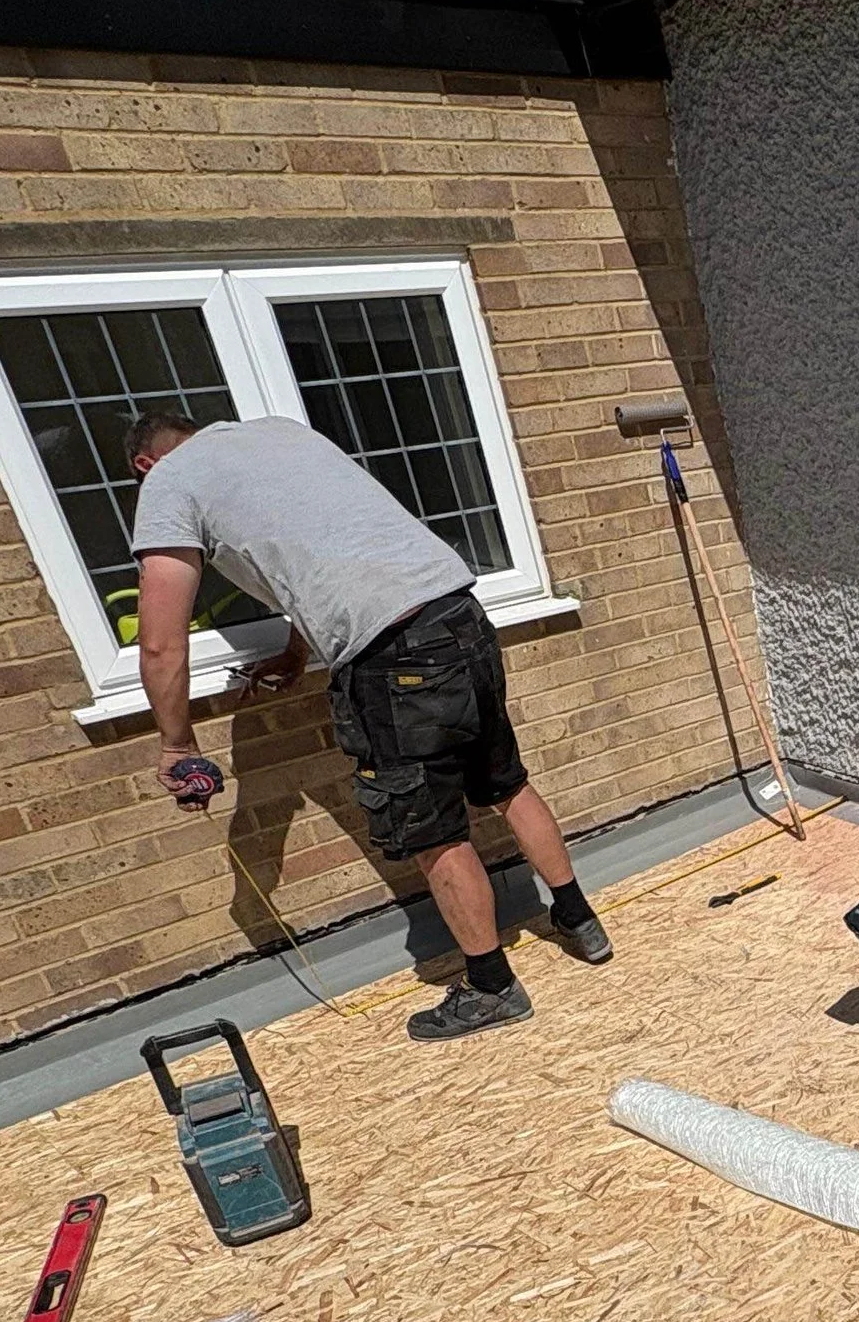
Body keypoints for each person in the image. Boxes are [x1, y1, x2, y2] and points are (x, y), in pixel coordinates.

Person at [124, 408, 613, 1041]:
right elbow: (323, 549)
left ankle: (492, 988)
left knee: (431, 827)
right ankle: (578, 920)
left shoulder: (168, 484)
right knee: (505, 782)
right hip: (459, 614)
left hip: (393, 656)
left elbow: (162, 644)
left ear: (144, 465)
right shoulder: (277, 433)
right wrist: (300, 651)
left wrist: (177, 744)